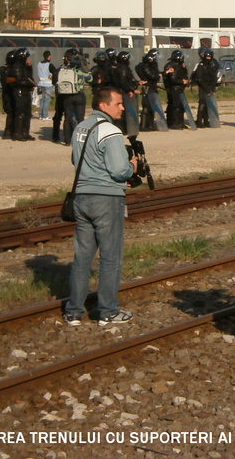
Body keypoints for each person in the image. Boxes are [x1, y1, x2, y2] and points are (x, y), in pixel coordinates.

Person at [63, 85, 139, 327]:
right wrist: (133, 167)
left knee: (82, 257)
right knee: (110, 257)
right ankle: (107, 311)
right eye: (118, 103)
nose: (122, 108)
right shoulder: (111, 131)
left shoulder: (80, 128)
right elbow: (118, 170)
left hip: (81, 198)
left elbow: (77, 159)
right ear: (103, 105)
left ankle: (74, 311)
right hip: (106, 199)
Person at [192, 47, 219, 128]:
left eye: (209, 57)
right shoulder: (201, 65)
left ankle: (206, 121)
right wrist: (206, 89)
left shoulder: (213, 64)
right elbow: (199, 78)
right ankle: (199, 121)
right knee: (202, 103)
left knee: (209, 104)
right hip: (203, 87)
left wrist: (212, 89)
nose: (208, 58)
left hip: (210, 86)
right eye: (206, 57)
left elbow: (214, 77)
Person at [34, 51, 55, 121]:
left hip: (41, 84)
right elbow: (55, 72)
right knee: (47, 100)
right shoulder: (49, 65)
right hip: (48, 84)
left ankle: (40, 115)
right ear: (49, 56)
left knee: (42, 100)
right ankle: (45, 115)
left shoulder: (39, 64)